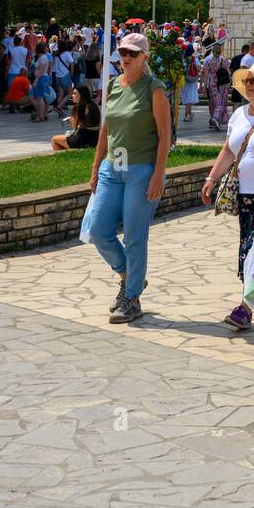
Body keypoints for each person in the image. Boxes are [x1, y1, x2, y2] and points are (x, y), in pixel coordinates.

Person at [88, 34, 171, 324]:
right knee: (98, 230)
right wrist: (96, 166)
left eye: (133, 54)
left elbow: (165, 136)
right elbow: (106, 130)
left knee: (135, 237)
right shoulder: (112, 86)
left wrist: (158, 174)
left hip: (141, 170)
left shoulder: (154, 88)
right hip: (113, 168)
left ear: (144, 57)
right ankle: (130, 277)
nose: (126, 57)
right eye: (123, 52)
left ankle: (132, 298)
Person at [201, 59, 254, 329]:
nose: (248, 86)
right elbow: (228, 150)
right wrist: (211, 178)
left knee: (253, 251)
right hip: (244, 197)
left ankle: (245, 308)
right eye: (246, 81)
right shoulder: (238, 115)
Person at [51, 85, 101, 151]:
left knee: (54, 139)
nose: (72, 96)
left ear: (82, 95)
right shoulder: (93, 105)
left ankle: (64, 157)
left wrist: (71, 121)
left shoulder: (79, 106)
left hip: (83, 139)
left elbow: (75, 128)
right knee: (62, 141)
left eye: (75, 94)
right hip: (95, 138)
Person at [202, 44, 231, 130]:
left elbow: (206, 74)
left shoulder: (208, 59)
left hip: (212, 83)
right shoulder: (224, 59)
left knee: (215, 101)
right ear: (220, 50)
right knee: (221, 102)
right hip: (223, 83)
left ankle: (215, 119)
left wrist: (204, 86)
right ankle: (216, 118)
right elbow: (228, 72)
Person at [179, 41, 200, 122]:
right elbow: (198, 68)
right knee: (189, 99)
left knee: (187, 98)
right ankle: (187, 115)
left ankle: (189, 114)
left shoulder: (182, 59)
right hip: (192, 80)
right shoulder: (194, 59)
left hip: (185, 80)